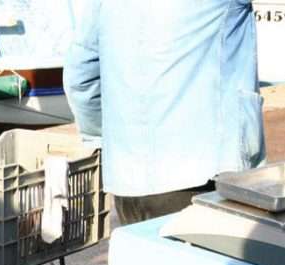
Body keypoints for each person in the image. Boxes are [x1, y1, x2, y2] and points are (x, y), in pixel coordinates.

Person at [63, 0, 266, 225]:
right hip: (203, 172)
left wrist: (113, 141)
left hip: (128, 177)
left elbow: (80, 77)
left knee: (143, 259)